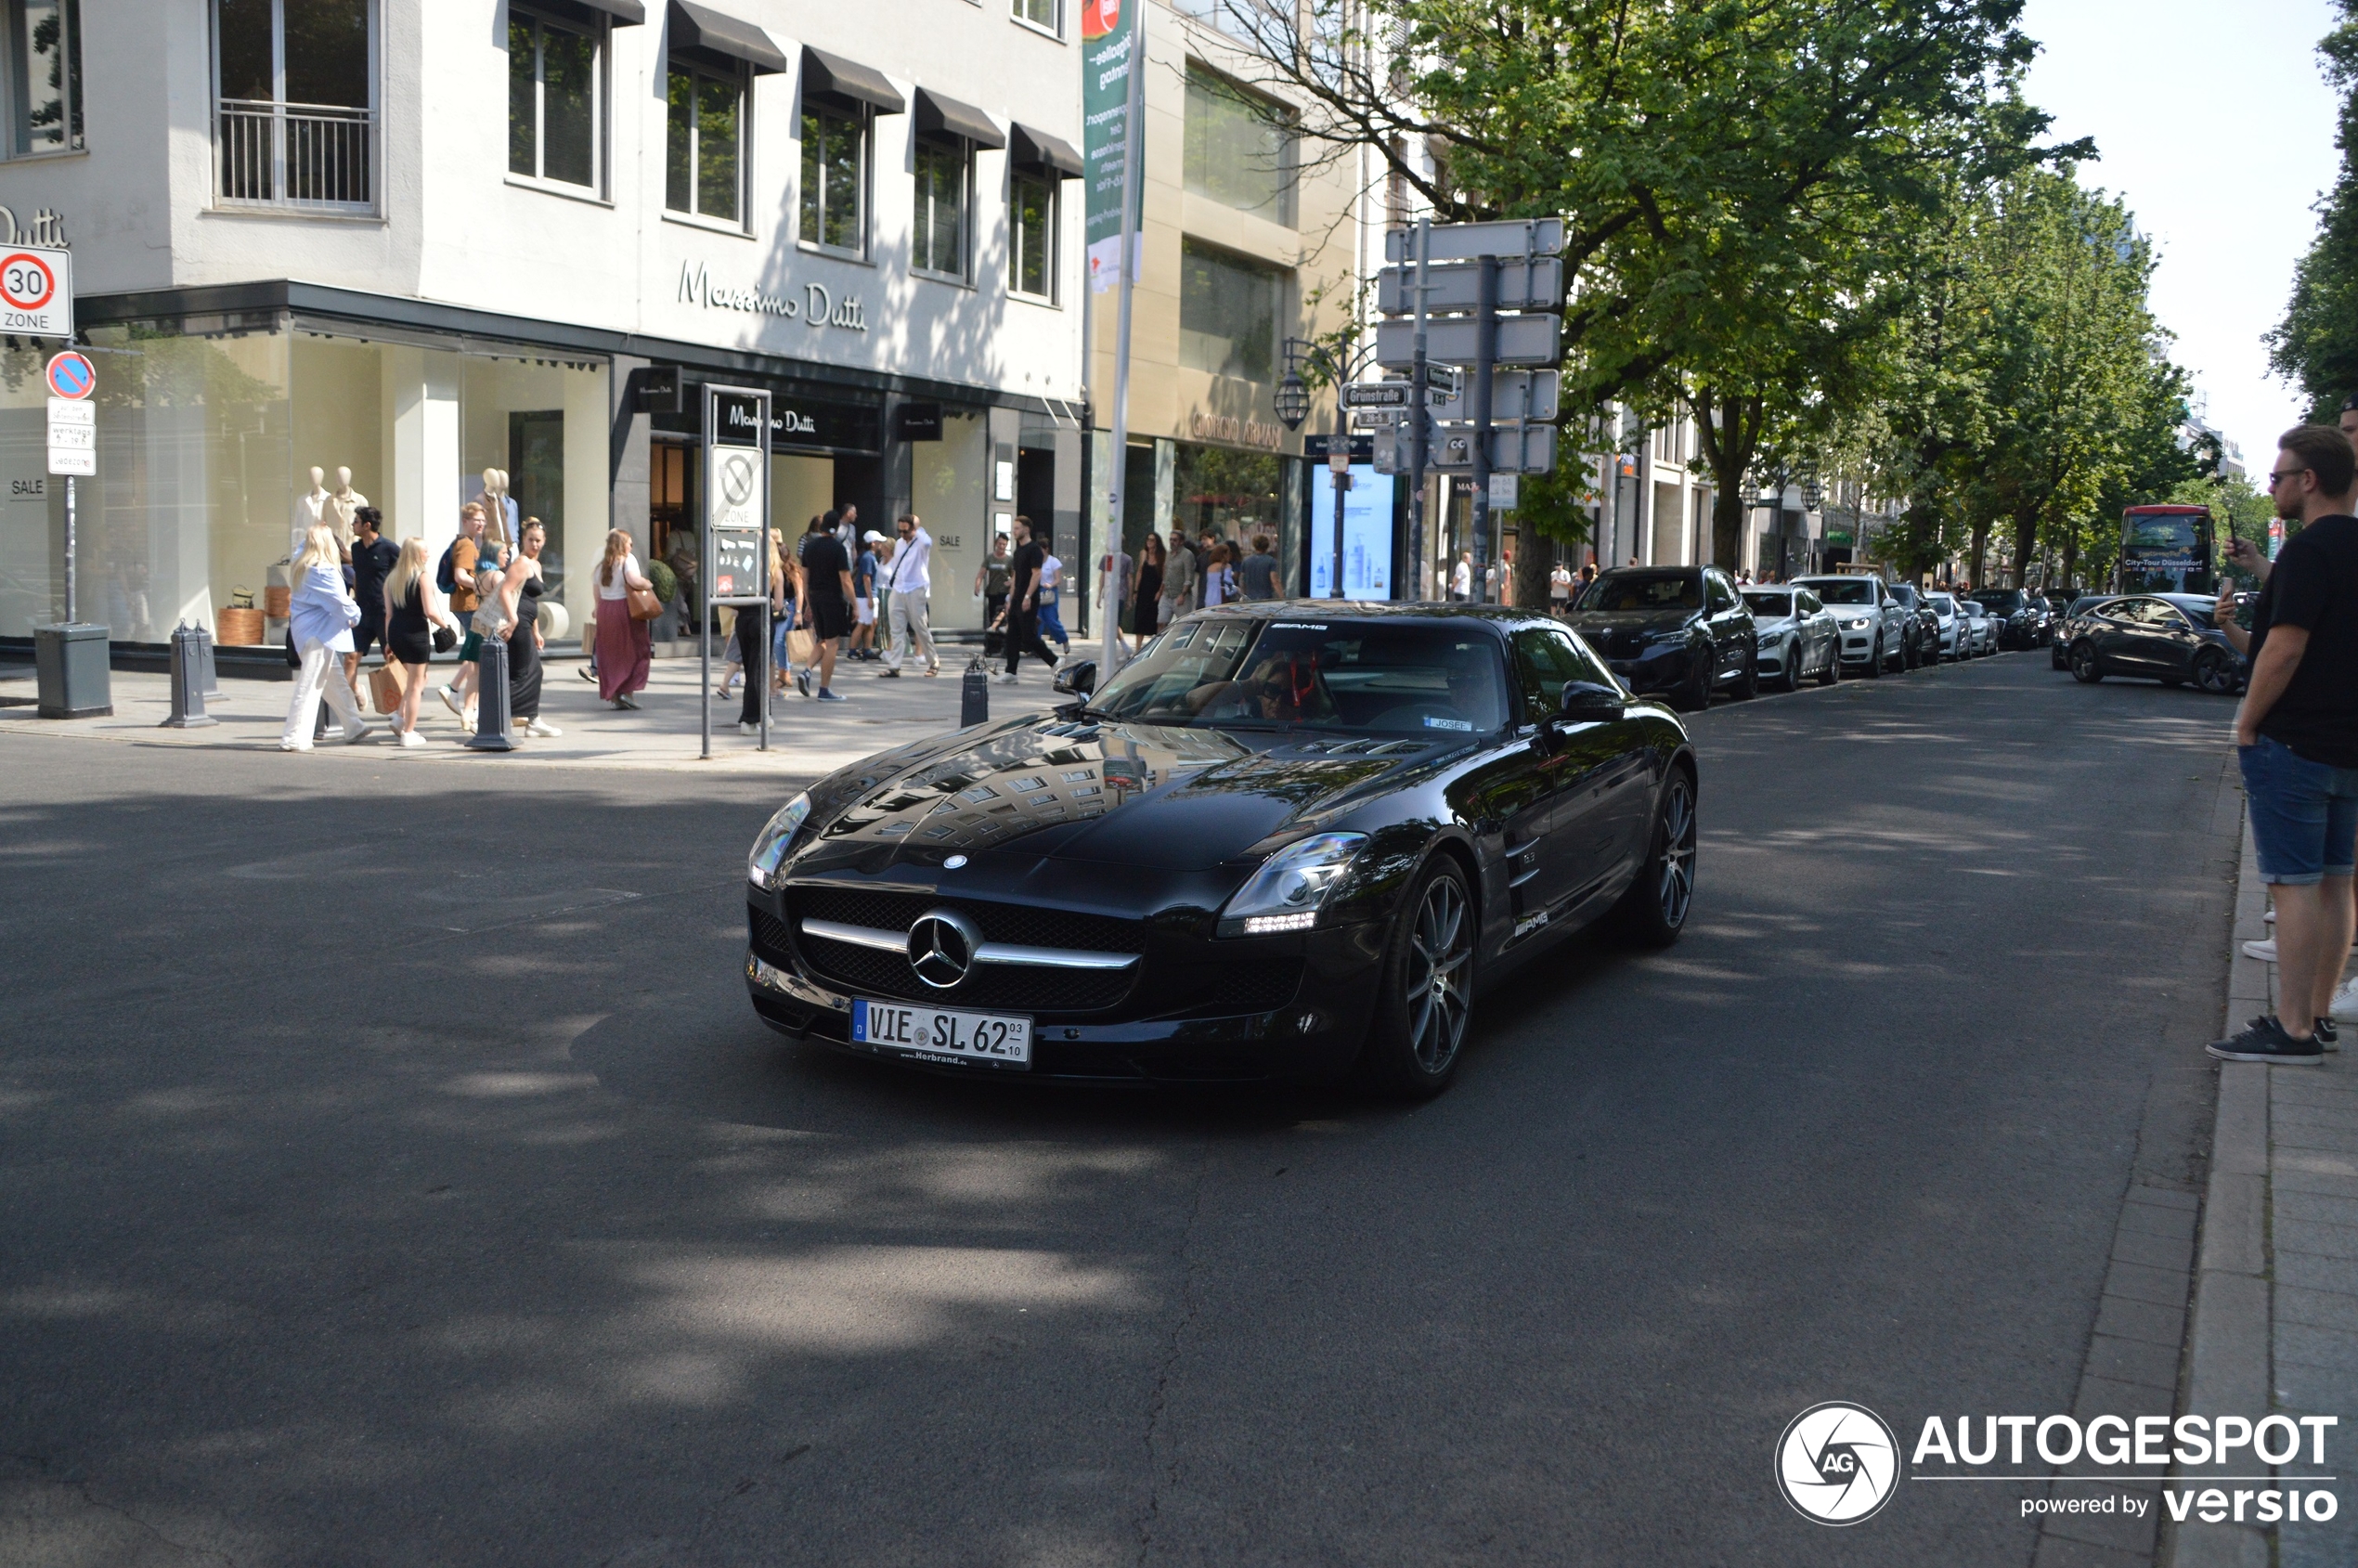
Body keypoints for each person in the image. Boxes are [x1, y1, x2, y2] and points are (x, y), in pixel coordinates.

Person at [2207, 424, 2358, 1067]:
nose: (2273, 486)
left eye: (2278, 475)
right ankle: (2319, 1015)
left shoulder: (2306, 552)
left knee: (2293, 887)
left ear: (2310, 480)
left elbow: (2287, 647)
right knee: (2337, 884)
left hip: (2294, 743)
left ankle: (2292, 1027)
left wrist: (2248, 721)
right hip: (2349, 745)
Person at [279, 523, 371, 750]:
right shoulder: (323, 571)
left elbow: (302, 546)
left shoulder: (301, 563)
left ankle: (353, 725)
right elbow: (340, 602)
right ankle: (293, 736)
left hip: (308, 632)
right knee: (311, 685)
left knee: (335, 681)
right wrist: (356, 615)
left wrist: (316, 530)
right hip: (319, 634)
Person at [382, 537, 457, 748]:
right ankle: (409, 731)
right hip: (416, 633)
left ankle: (399, 716)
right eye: (425, 551)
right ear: (416, 554)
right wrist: (445, 626)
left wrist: (388, 640)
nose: (428, 554)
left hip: (396, 631)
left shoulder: (392, 579)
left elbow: (388, 614)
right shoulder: (422, 576)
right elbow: (429, 611)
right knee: (416, 685)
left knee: (416, 679)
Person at [435, 501, 504, 721]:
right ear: (465, 521)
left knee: (474, 651)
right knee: (476, 654)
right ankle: (462, 699)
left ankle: (454, 689)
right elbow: (459, 575)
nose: (481, 524)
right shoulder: (465, 544)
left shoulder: (467, 542)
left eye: (483, 521)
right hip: (469, 604)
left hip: (466, 604)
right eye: (477, 520)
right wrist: (483, 586)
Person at [500, 518, 559, 739]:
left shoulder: (536, 564)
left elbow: (531, 598)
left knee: (533, 671)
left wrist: (536, 631)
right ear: (523, 540)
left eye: (538, 540)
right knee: (521, 673)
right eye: (530, 540)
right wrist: (513, 619)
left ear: (544, 542)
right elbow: (505, 591)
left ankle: (532, 720)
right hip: (518, 623)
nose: (534, 544)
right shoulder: (522, 563)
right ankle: (499, 717)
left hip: (526, 622)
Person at [992, 515, 1059, 682]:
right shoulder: (1018, 551)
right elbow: (1015, 576)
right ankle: (1011, 672)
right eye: (1014, 528)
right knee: (1012, 634)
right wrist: (1010, 599)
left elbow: (1037, 574)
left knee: (1028, 636)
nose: (1014, 531)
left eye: (1017, 528)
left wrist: (1028, 596)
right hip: (1016, 599)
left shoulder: (1034, 549)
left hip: (1029, 598)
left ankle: (1055, 661)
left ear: (1026, 529)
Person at [796, 512, 855, 702]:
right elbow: (846, 580)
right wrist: (856, 604)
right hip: (832, 598)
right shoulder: (838, 548)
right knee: (832, 643)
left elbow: (804, 577)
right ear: (836, 528)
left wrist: (808, 602)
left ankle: (806, 671)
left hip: (815, 596)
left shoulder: (810, 547)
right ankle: (824, 689)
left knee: (822, 639)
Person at [594, 528, 654, 709]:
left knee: (612, 654)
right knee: (637, 649)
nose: (631, 546)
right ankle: (628, 691)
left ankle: (615, 693)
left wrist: (598, 610)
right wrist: (648, 583)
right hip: (624, 608)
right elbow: (634, 580)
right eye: (629, 542)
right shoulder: (628, 560)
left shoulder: (601, 566)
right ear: (621, 544)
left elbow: (596, 592)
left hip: (605, 609)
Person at [878, 513, 939, 678]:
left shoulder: (921, 542)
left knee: (920, 627)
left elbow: (928, 541)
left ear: (914, 529)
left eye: (906, 531)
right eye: (900, 531)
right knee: (896, 629)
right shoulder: (898, 544)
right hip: (899, 588)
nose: (903, 535)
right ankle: (894, 666)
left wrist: (917, 525)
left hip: (915, 588)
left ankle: (933, 661)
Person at [345, 507, 397, 696]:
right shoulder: (356, 548)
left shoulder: (389, 548)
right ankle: (355, 694)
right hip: (361, 612)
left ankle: (399, 706)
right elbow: (357, 575)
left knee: (391, 657)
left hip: (384, 612)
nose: (353, 524)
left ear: (367, 525)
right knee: (351, 657)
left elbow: (405, 571)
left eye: (356, 521)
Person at [740, 530, 786, 733]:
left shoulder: (745, 566)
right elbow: (778, 604)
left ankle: (757, 716)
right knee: (759, 670)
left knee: (751, 668)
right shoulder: (775, 570)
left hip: (743, 619)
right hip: (763, 619)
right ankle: (753, 718)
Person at [849, 530, 884, 661]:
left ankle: (867, 649)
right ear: (873, 543)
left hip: (870, 595)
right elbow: (866, 578)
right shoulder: (868, 557)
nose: (881, 544)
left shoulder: (870, 556)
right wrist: (870, 598)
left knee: (872, 623)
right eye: (879, 542)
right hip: (865, 596)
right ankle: (852, 651)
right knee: (863, 623)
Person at [1157, 525, 1198, 630]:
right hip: (1167, 594)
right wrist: (1160, 591)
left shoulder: (1187, 555)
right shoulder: (1168, 554)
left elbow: (1189, 578)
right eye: (1170, 539)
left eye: (1175, 540)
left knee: (1184, 625)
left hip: (1180, 595)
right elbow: (1166, 574)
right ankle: (1160, 646)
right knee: (1161, 622)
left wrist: (1183, 594)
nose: (1172, 542)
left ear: (1181, 541)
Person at [977, 532, 1012, 643]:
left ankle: (1001, 640)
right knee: (992, 615)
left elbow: (1016, 575)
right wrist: (977, 586)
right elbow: (981, 573)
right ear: (996, 543)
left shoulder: (1009, 560)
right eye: (1000, 544)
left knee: (1001, 615)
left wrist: (1010, 582)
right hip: (992, 591)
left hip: (1004, 592)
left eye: (1004, 544)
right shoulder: (990, 558)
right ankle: (992, 641)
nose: (1001, 546)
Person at [1132, 533, 1165, 650]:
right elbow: (1140, 571)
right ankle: (1137, 648)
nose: (1149, 542)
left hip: (1155, 589)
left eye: (1152, 540)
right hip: (1143, 589)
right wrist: (1136, 590)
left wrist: (1160, 591)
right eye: (1148, 539)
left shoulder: (1162, 556)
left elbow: (1164, 576)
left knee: (1154, 619)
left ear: (1157, 542)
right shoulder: (1143, 553)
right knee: (1140, 619)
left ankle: (1154, 648)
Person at [1036, 547, 1069, 652]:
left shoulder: (1053, 562)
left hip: (1050, 592)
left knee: (1051, 620)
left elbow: (1058, 579)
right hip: (1038, 591)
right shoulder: (1036, 561)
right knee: (1037, 620)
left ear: (1046, 549)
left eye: (1040, 549)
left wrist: (1050, 585)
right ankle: (1036, 646)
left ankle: (1064, 640)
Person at [1238, 535, 1281, 601]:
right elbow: (1275, 581)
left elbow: (1242, 580)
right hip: (1266, 598)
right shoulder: (1271, 561)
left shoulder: (1246, 561)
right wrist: (1283, 597)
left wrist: (1243, 594)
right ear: (1267, 546)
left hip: (1250, 598)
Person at [1201, 542, 1237, 607]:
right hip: (1221, 599)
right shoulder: (1227, 566)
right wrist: (1236, 589)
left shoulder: (1210, 568)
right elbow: (1228, 587)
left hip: (1210, 598)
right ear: (1224, 555)